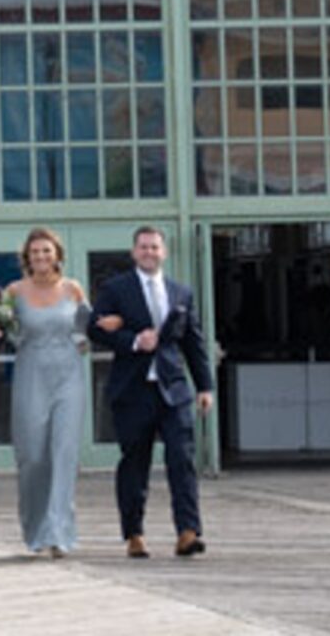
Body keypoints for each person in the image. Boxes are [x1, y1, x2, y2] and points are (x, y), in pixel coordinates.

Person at [88, 224, 215, 559]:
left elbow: (193, 340)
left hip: (173, 389)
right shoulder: (116, 289)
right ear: (133, 252)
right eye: (143, 247)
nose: (149, 252)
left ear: (165, 252)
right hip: (132, 390)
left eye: (155, 247)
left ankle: (188, 532)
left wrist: (205, 385)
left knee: (181, 459)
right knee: (135, 463)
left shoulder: (181, 292)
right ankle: (134, 533)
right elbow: (93, 328)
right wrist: (131, 339)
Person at [7, 227, 89, 558]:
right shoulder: (14, 291)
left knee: (64, 452)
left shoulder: (73, 290)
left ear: (57, 255)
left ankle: (59, 532)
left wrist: (83, 341)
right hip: (31, 372)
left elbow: (86, 328)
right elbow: (5, 331)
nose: (41, 257)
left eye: (47, 251)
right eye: (35, 252)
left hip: (68, 374)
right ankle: (35, 527)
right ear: (27, 257)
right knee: (33, 456)